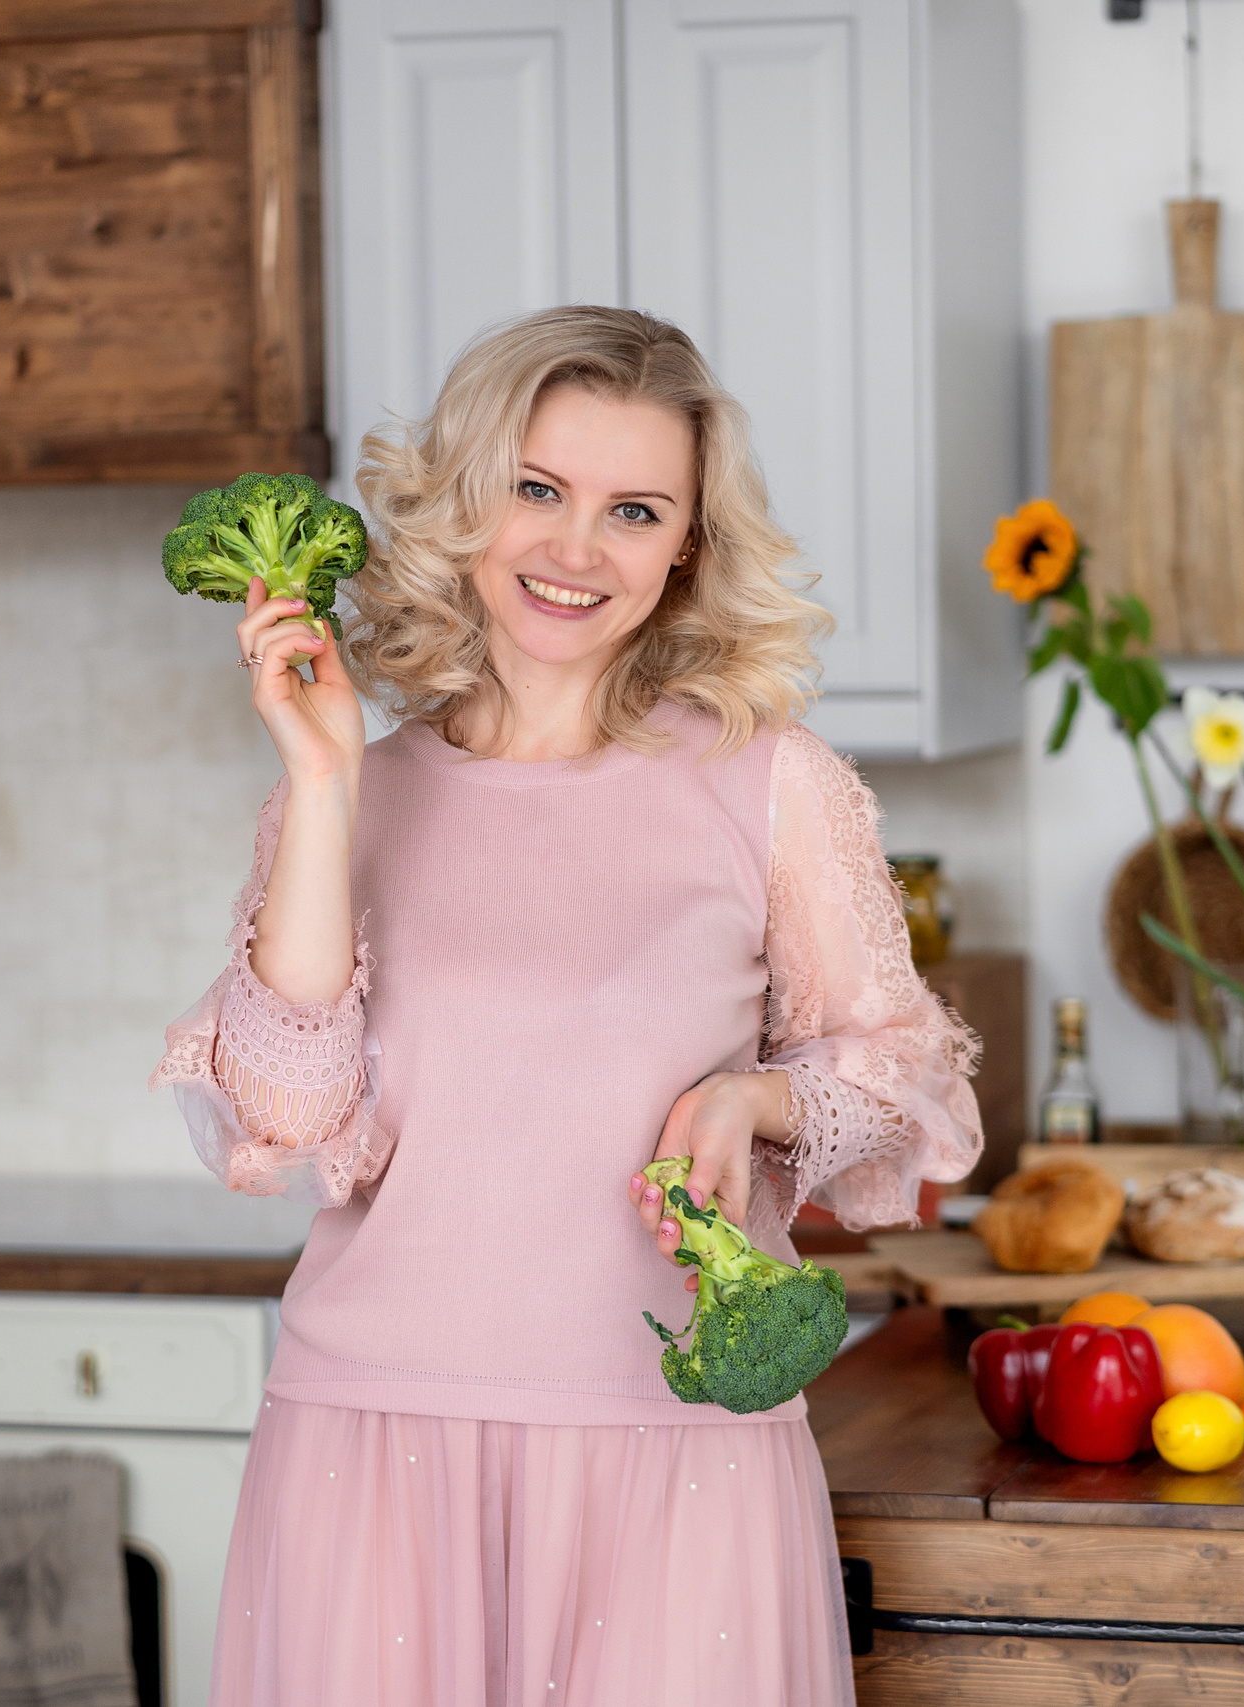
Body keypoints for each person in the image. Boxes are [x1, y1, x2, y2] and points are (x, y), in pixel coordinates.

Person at [152, 305, 983, 1706]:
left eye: (634, 511)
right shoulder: (348, 792)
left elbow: (913, 1079)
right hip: (373, 1446)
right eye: (538, 488)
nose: (577, 550)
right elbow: (288, 1120)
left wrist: (757, 1097)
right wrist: (325, 780)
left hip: (677, 1452)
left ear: (687, 548)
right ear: (466, 499)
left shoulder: (773, 785)